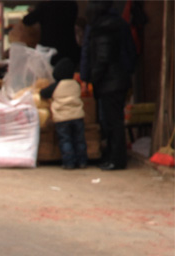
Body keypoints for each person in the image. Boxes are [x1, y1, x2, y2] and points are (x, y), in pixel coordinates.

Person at [80, 0, 137, 171]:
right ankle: (112, 156)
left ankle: (117, 159)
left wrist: (92, 79)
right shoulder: (119, 24)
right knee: (113, 121)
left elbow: (102, 58)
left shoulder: (103, 28)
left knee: (113, 122)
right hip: (117, 79)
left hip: (110, 82)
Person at [40, 58, 88, 170]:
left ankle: (69, 163)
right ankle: (82, 162)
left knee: (66, 140)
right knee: (79, 140)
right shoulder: (76, 85)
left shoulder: (56, 86)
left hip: (62, 119)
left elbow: (43, 93)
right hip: (77, 117)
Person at [22, 0, 81, 67]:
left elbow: (27, 20)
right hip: (70, 50)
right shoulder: (72, 5)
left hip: (49, 52)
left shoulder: (44, 7)